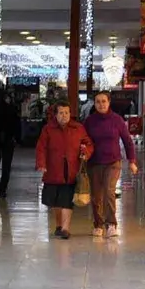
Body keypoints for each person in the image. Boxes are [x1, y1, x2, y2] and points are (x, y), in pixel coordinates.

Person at [83, 92, 138, 238]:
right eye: (98, 102)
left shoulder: (117, 120)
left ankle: (111, 224)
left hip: (113, 162)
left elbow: (127, 141)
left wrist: (132, 161)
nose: (101, 104)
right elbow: (83, 140)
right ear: (94, 104)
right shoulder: (89, 121)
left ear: (109, 102)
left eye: (104, 101)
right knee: (96, 196)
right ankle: (98, 224)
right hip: (94, 162)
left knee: (109, 192)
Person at [35, 101, 93, 239]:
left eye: (66, 112)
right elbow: (41, 147)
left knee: (67, 200)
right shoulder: (48, 129)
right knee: (55, 201)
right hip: (53, 170)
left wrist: (85, 152)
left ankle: (65, 228)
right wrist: (41, 163)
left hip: (71, 170)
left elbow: (88, 143)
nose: (64, 115)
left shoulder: (78, 128)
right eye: (61, 113)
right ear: (55, 115)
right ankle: (59, 225)